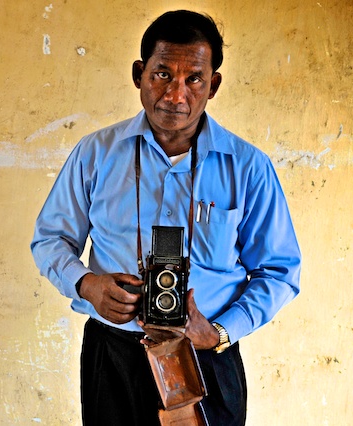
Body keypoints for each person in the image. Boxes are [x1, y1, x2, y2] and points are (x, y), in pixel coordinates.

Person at [31, 9, 301, 426]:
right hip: (114, 355)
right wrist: (86, 284)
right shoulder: (96, 153)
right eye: (162, 74)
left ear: (213, 85)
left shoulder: (248, 167)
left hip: (205, 357)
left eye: (193, 78)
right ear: (139, 73)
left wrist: (221, 332)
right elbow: (51, 238)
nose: (176, 95)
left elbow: (280, 271)